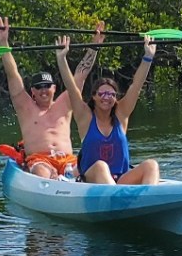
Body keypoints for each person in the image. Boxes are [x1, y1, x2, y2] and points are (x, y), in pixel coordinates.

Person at [0, 16, 102, 179]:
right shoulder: (25, 106)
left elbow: (81, 74)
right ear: (33, 92)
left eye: (47, 86)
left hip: (68, 161)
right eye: (39, 87)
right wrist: (3, 42)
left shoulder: (66, 102)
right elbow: (12, 74)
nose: (43, 90)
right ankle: (56, 183)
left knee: (92, 166)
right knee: (42, 172)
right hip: (40, 160)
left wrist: (95, 46)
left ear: (54, 88)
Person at [55, 34, 161, 185]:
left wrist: (148, 57)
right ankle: (117, 200)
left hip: (121, 180)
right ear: (94, 97)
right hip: (92, 180)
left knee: (152, 165)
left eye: (111, 94)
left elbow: (136, 86)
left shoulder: (121, 114)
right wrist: (61, 59)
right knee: (101, 166)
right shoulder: (85, 116)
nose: (107, 97)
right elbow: (72, 88)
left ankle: (150, 199)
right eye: (102, 93)